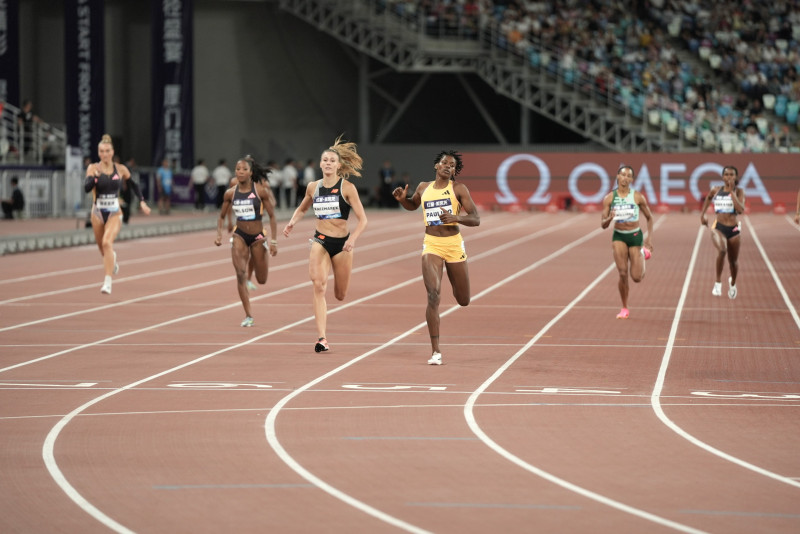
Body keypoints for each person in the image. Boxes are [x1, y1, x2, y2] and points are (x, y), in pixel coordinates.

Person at [391, 150, 480, 365]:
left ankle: (454, 282)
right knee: (433, 295)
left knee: (464, 300)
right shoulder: (423, 187)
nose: (448, 166)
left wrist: (456, 217)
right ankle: (436, 351)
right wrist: (404, 200)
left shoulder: (458, 189)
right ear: (436, 166)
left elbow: (476, 218)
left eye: (452, 165)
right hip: (431, 244)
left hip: (453, 244)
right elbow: (413, 205)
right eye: (444, 163)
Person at [282, 135, 368, 352]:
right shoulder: (313, 187)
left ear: (339, 165)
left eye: (332, 160)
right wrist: (292, 223)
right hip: (320, 240)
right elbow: (302, 208)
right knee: (318, 285)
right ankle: (322, 338)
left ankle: (335, 300)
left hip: (342, 245)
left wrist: (352, 239)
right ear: (320, 164)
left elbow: (363, 219)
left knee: (340, 294)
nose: (328, 163)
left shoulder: (347, 188)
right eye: (325, 160)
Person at [215, 156, 279, 327]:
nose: (240, 172)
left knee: (262, 279)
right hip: (239, 235)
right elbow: (221, 216)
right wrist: (219, 234)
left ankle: (260, 264)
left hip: (258, 237)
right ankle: (248, 315)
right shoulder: (230, 193)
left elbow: (272, 216)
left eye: (244, 169)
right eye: (237, 169)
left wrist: (273, 241)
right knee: (240, 274)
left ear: (251, 172)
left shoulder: (260, 191)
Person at [85, 134, 151, 294]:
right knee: (103, 250)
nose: (104, 154)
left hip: (114, 212)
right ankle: (112, 261)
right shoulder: (93, 168)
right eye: (101, 151)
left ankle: (107, 282)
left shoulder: (120, 169)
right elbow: (86, 188)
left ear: (112, 152)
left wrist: (142, 201)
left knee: (107, 243)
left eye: (107, 151)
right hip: (97, 213)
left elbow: (134, 185)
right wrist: (95, 178)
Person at [600, 165, 654, 319]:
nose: (625, 178)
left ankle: (643, 252)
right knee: (622, 273)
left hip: (635, 236)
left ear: (631, 179)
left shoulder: (637, 197)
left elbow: (649, 217)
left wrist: (649, 238)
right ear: (617, 176)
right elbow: (603, 224)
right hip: (619, 236)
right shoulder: (609, 198)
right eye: (622, 174)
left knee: (636, 277)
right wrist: (609, 218)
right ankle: (624, 307)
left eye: (628, 176)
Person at [700, 165, 746, 299]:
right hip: (718, 227)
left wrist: (731, 193)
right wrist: (702, 215)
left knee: (733, 262)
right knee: (721, 250)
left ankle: (732, 283)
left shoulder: (739, 191)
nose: (729, 177)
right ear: (722, 177)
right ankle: (718, 282)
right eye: (726, 175)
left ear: (736, 177)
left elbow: (740, 210)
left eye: (732, 175)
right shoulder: (716, 189)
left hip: (733, 229)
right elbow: (708, 198)